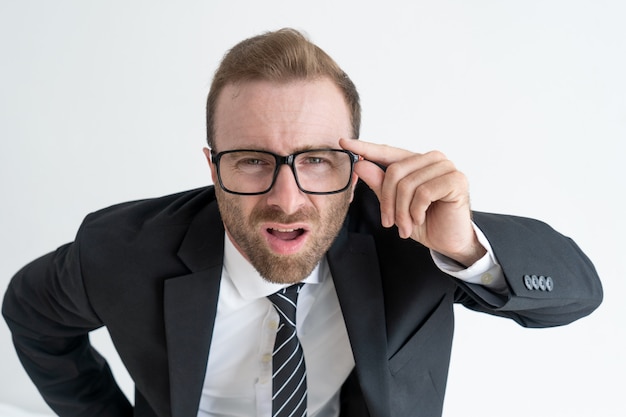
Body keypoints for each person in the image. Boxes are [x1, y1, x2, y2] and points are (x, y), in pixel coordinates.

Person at [3, 28, 602, 417]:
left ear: (357, 162)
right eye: (252, 160)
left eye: (316, 160)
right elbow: (30, 312)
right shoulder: (121, 252)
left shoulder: (410, 238)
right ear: (214, 168)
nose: (287, 199)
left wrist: (467, 248)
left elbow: (579, 294)